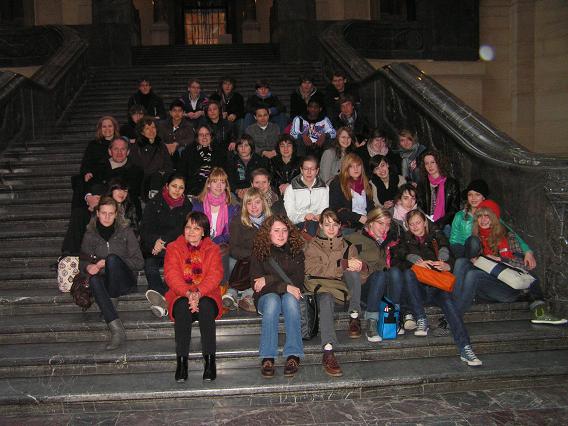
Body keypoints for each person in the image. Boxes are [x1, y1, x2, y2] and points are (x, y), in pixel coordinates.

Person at [452, 200, 567, 326]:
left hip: (507, 288)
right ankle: (453, 300)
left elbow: (523, 266)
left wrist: (501, 260)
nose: (483, 220)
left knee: (473, 275)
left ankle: (454, 315)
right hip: (486, 287)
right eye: (480, 216)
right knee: (461, 262)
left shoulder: (507, 236)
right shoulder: (476, 238)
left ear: (494, 218)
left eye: (487, 216)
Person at [396, 209, 483, 366]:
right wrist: (414, 262)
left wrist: (446, 265)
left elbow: (453, 260)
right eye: (411, 224)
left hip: (437, 285)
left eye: (418, 222)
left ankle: (465, 348)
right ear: (408, 226)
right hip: (418, 290)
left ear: (425, 222)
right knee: (409, 274)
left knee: (450, 306)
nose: (415, 226)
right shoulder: (405, 242)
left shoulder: (437, 239)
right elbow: (397, 264)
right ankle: (421, 317)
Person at [164, 211, 223, 382]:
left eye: (196, 228)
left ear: (203, 232)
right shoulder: (174, 248)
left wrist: (198, 293)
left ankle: (210, 361)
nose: (191, 231)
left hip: (207, 294)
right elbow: (171, 275)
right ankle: (182, 363)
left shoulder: (212, 249)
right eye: (188, 227)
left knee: (205, 306)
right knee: (182, 307)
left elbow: (215, 275)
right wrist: (189, 293)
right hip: (180, 294)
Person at [304, 208, 364, 376]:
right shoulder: (312, 245)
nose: (331, 228)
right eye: (327, 224)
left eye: (335, 225)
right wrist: (341, 265)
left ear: (340, 226)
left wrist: (359, 266)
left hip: (339, 286)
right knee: (326, 299)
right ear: (321, 226)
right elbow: (311, 269)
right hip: (320, 286)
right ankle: (328, 350)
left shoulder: (348, 246)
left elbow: (361, 276)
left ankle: (354, 316)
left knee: (353, 270)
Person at [80, 196, 143, 351]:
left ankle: (109, 308)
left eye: (111, 213)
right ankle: (116, 330)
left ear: (116, 214)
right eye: (104, 213)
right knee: (94, 279)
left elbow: (139, 262)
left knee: (113, 259)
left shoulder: (126, 231)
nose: (107, 217)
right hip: (104, 281)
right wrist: (89, 267)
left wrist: (109, 262)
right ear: (98, 213)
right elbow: (82, 262)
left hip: (125, 280)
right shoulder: (90, 234)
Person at [250, 215, 305, 378]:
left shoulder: (296, 251)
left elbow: (298, 282)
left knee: (289, 300)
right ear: (268, 233)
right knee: (273, 301)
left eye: (284, 231)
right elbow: (257, 285)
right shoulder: (259, 251)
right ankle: (268, 356)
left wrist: (269, 278)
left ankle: (293, 354)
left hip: (288, 295)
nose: (281, 235)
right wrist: (283, 285)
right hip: (265, 297)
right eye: (276, 231)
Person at [345, 207, 403, 342]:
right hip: (364, 286)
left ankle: (394, 316)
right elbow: (338, 261)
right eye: (380, 223)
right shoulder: (356, 238)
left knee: (395, 272)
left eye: (387, 224)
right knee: (380, 275)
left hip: (382, 286)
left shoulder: (386, 242)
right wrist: (350, 262)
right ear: (370, 223)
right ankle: (371, 322)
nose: (385, 228)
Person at [141, 174, 193, 317]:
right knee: (150, 263)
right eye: (174, 186)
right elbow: (145, 228)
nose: (177, 190)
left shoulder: (187, 206)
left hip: (174, 246)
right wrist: (155, 241)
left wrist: (163, 241)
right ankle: (162, 296)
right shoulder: (154, 203)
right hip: (154, 246)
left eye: (181, 187)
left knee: (174, 266)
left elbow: (183, 230)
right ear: (167, 186)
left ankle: (161, 300)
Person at [225, 188, 273, 312]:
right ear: (245, 206)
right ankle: (232, 293)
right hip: (243, 260)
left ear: (263, 203)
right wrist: (252, 254)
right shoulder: (238, 221)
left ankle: (247, 295)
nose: (253, 207)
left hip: (264, 261)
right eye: (249, 203)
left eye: (257, 202)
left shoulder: (272, 222)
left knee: (265, 263)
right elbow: (233, 248)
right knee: (237, 262)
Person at [191, 168, 240, 283]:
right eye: (215, 181)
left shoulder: (232, 207)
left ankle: (220, 289)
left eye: (222, 182)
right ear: (208, 184)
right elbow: (193, 230)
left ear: (226, 186)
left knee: (228, 260)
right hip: (201, 246)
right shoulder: (198, 205)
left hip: (224, 248)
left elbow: (232, 233)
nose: (219, 185)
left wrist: (217, 240)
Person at [128, 116, 173, 201]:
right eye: (147, 128)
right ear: (141, 132)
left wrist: (164, 172)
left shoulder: (161, 145)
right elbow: (138, 168)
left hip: (163, 179)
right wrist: (157, 172)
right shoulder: (137, 147)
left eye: (153, 127)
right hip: (146, 182)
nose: (151, 131)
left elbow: (169, 164)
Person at [283, 155, 329, 237]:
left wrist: (319, 216)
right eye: (306, 169)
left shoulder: (324, 188)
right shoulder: (291, 188)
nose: (309, 172)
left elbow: (324, 210)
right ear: (301, 170)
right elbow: (290, 215)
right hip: (298, 223)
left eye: (312, 169)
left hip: (318, 223)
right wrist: (304, 217)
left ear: (317, 170)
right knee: (311, 227)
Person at [417, 150, 460, 235]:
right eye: (426, 163)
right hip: (426, 223)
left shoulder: (451, 183)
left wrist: (440, 223)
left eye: (433, 162)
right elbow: (420, 206)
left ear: (439, 163)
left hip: (445, 223)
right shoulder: (422, 183)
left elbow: (454, 209)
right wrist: (428, 222)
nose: (430, 166)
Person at [329, 153, 375, 232]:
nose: (356, 169)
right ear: (346, 168)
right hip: (348, 225)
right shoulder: (337, 183)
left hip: (366, 223)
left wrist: (375, 216)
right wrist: (358, 218)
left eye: (358, 165)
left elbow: (370, 207)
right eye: (351, 166)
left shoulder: (367, 184)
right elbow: (336, 210)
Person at [179, 124, 224, 196]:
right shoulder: (188, 151)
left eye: (207, 134)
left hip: (214, 187)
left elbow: (223, 173)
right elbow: (182, 172)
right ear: (197, 137)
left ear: (211, 136)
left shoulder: (220, 152)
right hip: (194, 187)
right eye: (201, 135)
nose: (204, 137)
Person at [226, 134, 267, 199]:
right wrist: (237, 191)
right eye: (240, 146)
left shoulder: (259, 160)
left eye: (246, 145)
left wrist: (250, 190)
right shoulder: (232, 160)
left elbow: (263, 179)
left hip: (255, 190)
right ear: (237, 148)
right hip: (237, 192)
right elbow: (229, 181)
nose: (243, 148)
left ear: (251, 147)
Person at [157, 100, 195, 164]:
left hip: (180, 153)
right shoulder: (162, 125)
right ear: (170, 112)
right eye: (174, 110)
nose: (177, 113)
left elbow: (190, 139)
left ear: (183, 113)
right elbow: (158, 139)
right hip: (165, 151)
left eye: (179, 111)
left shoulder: (189, 125)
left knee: (183, 150)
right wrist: (166, 145)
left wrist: (176, 144)